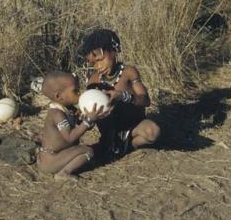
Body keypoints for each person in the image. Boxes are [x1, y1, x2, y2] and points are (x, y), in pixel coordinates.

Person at [79, 29, 160, 158]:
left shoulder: (129, 72)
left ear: (113, 51)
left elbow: (145, 100)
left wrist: (123, 96)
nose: (98, 66)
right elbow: (89, 109)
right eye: (93, 63)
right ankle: (112, 143)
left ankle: (126, 146)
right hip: (110, 132)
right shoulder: (93, 80)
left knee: (152, 132)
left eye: (100, 59)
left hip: (133, 127)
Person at [38, 71, 110, 180]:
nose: (79, 94)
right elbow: (70, 138)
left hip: (58, 155)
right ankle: (63, 173)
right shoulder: (57, 114)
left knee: (89, 151)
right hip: (51, 159)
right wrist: (88, 121)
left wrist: (91, 119)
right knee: (88, 151)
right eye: (75, 91)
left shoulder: (69, 109)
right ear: (59, 96)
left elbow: (81, 127)